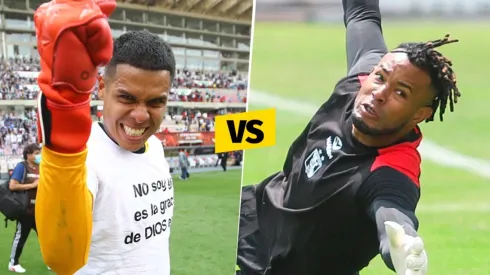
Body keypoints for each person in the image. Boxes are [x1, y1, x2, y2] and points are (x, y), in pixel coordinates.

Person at [235, 0, 461, 274]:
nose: (380, 93)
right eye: (380, 77)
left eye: (401, 93)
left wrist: (403, 247)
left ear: (419, 115)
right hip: (253, 219)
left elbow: (393, 215)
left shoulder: (391, 169)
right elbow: (361, 12)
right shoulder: (360, 81)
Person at [34, 1, 175, 274]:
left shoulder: (155, 147)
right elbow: (61, 258)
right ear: (101, 87)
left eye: (156, 102)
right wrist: (64, 139)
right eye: (126, 97)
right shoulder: (84, 159)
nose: (140, 115)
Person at [8, 144, 41, 273]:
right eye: (36, 153)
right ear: (28, 155)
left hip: (40, 209)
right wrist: (32, 185)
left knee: (47, 239)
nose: (39, 155)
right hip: (26, 209)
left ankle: (51, 261)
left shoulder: (41, 168)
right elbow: (13, 186)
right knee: (21, 236)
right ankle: (13, 263)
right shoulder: (22, 167)